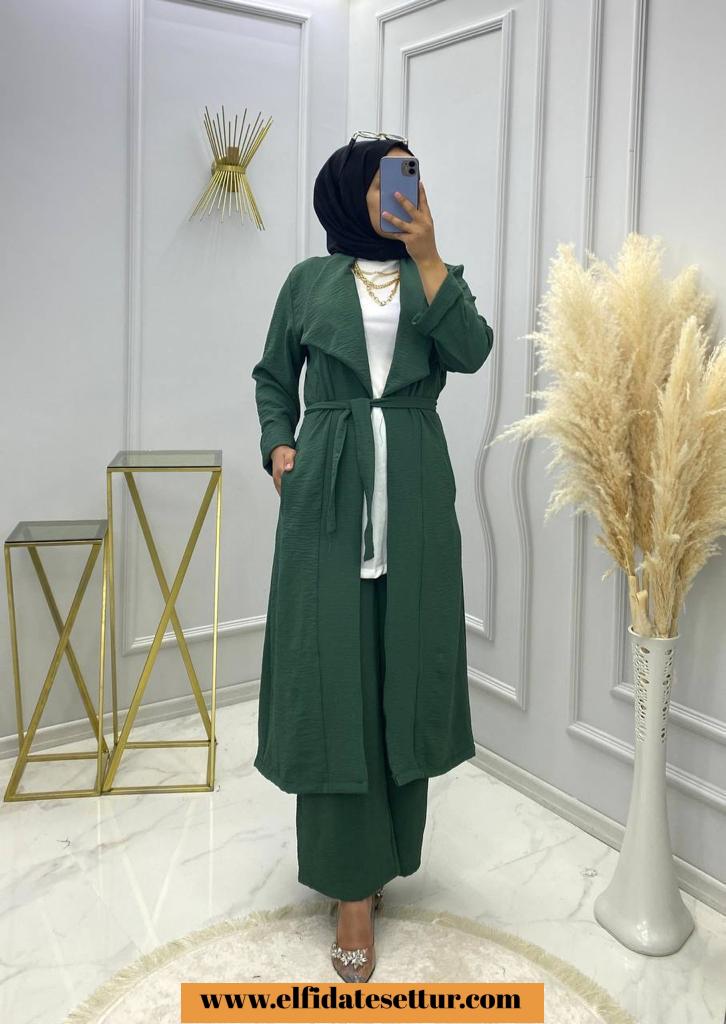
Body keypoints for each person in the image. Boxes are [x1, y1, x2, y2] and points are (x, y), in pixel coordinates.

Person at [251, 133, 494, 982]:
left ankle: (384, 856)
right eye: (390, 175)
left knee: (403, 677)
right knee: (331, 685)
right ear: (353, 187)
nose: (404, 189)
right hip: (327, 497)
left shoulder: (436, 277)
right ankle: (349, 893)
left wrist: (428, 255)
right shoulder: (308, 282)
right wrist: (279, 445)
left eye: (412, 174)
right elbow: (273, 376)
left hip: (416, 501)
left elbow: (472, 352)